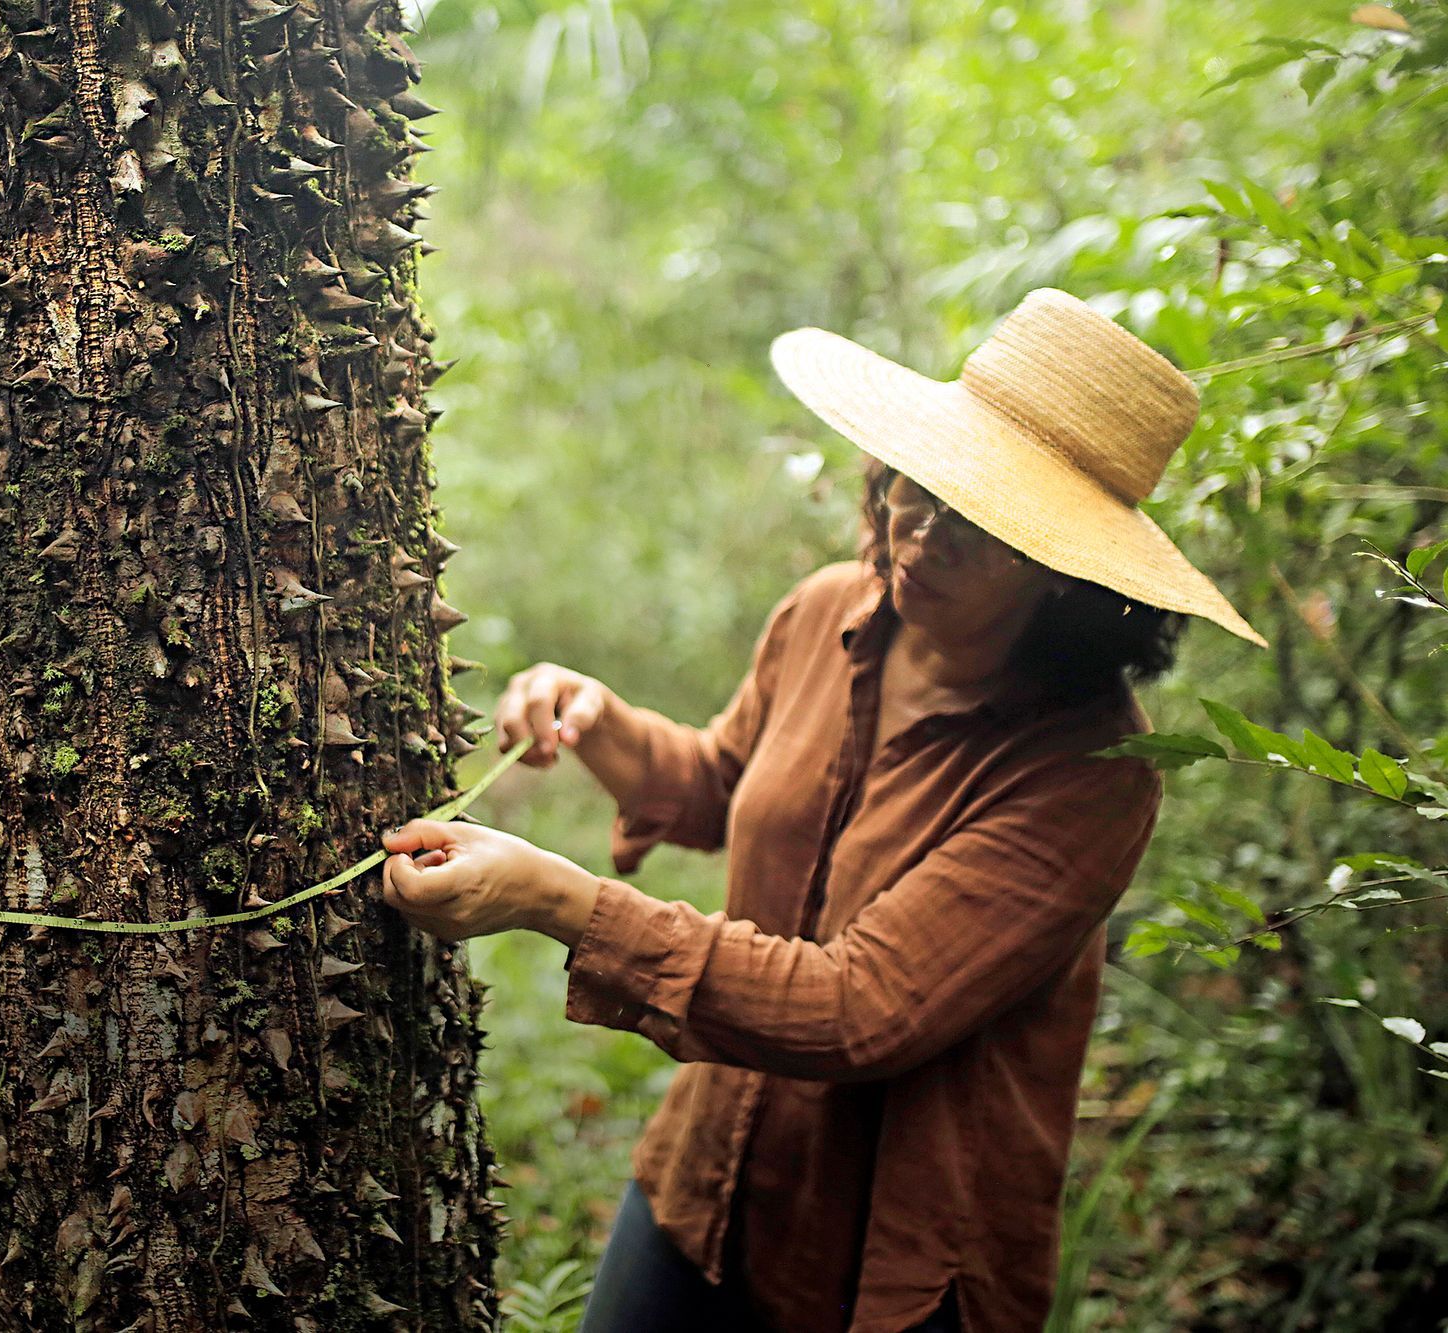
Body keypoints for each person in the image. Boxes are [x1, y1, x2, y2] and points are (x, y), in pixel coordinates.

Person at [376, 289, 1268, 1332]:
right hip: (711, 1174)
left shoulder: (1088, 769)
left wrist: (561, 902)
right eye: (915, 492)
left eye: (983, 529)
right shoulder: (826, 613)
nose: (922, 539)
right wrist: (607, 725)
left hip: (895, 1253)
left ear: (1066, 580)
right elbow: (724, 783)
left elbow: (861, 1005)